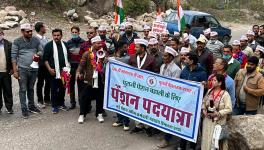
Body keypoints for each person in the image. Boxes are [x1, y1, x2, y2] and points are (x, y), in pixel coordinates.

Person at [11, 23, 43, 118]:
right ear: (22, 32)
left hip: (34, 69)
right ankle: (24, 109)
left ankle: (31, 106)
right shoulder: (17, 41)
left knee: (31, 88)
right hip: (22, 70)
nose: (30, 33)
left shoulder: (35, 40)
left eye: (31, 31)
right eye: (27, 31)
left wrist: (38, 54)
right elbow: (13, 57)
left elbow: (41, 50)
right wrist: (15, 71)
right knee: (23, 89)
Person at [179, 52, 207, 150]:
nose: (184, 60)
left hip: (195, 104)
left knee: (193, 126)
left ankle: (192, 146)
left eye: (187, 58)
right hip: (185, 103)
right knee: (183, 124)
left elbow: (205, 89)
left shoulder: (202, 73)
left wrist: (203, 85)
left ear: (192, 61)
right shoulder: (184, 70)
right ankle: (182, 145)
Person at [129, 38, 156, 136]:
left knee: (146, 107)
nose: (135, 48)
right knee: (136, 105)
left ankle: (147, 126)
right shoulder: (132, 58)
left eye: (137, 47)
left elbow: (155, 74)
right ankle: (138, 125)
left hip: (146, 88)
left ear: (143, 48)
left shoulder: (151, 59)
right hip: (135, 87)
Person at [76, 36, 106, 123]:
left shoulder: (102, 53)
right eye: (98, 43)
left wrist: (105, 60)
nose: (100, 45)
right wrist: (78, 72)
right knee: (84, 97)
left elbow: (106, 63)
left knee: (100, 97)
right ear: (93, 44)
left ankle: (99, 114)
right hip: (89, 79)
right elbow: (81, 65)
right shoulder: (87, 54)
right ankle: (82, 114)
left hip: (100, 79)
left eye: (101, 43)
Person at [157, 46, 182, 148]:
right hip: (162, 95)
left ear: (171, 57)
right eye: (163, 55)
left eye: (166, 56)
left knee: (169, 118)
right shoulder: (162, 66)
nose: (164, 57)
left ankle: (167, 139)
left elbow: (174, 85)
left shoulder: (176, 70)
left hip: (170, 97)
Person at [201, 74, 232, 150]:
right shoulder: (209, 91)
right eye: (212, 80)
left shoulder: (225, 94)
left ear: (220, 83)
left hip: (218, 122)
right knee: (206, 139)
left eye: (214, 80)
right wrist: (204, 110)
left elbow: (229, 109)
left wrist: (218, 113)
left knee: (215, 142)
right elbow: (203, 102)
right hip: (207, 121)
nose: (212, 81)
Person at [43, 29, 70, 114]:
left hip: (64, 72)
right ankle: (54, 106)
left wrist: (68, 69)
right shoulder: (48, 45)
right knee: (54, 89)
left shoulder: (65, 44)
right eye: (54, 35)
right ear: (52, 36)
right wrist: (49, 69)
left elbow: (68, 57)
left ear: (61, 36)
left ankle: (61, 103)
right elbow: (45, 59)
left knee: (62, 88)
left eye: (58, 35)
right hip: (53, 72)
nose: (56, 37)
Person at [111, 40, 130, 130]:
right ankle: (119, 119)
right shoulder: (113, 58)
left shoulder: (127, 58)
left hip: (125, 84)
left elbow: (122, 60)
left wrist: (112, 59)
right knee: (117, 101)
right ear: (119, 48)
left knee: (125, 102)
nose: (127, 49)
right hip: (116, 83)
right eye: (125, 47)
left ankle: (126, 122)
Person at [67, 26, 85, 109]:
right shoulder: (68, 43)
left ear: (79, 33)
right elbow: (66, 55)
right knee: (71, 85)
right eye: (73, 32)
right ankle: (72, 102)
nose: (74, 33)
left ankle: (82, 102)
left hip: (80, 67)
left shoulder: (83, 43)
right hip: (71, 67)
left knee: (81, 85)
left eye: (76, 32)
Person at [35, 22, 50, 109]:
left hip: (47, 63)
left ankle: (47, 99)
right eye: (44, 26)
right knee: (40, 82)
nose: (45, 28)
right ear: (41, 28)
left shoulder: (45, 38)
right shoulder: (35, 39)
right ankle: (40, 100)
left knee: (48, 81)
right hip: (40, 63)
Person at [0, 29, 13, 114]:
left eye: (0, 33)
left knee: (8, 90)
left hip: (6, 71)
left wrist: (12, 68)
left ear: (2, 34)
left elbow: (12, 58)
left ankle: (9, 108)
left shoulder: (8, 44)